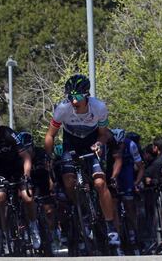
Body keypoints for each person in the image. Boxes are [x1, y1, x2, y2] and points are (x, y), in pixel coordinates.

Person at [44, 74, 122, 249]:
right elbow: (50, 135)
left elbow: (103, 134)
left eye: (77, 96)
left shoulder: (99, 107)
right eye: (70, 96)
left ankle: (111, 228)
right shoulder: (62, 109)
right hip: (70, 144)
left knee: (101, 183)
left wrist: (99, 144)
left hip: (91, 144)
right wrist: (48, 156)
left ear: (86, 95)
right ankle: (78, 206)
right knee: (68, 179)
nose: (73, 101)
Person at [0, 109, 41, 251]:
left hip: (18, 167)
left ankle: (33, 225)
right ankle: (4, 231)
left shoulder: (8, 134)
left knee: (27, 197)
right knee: (0, 198)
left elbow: (26, 157)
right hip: (1, 170)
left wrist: (26, 175)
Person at [17, 131, 55, 252]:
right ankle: (27, 228)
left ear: (32, 145)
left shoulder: (41, 153)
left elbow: (50, 170)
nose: (26, 151)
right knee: (24, 201)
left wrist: (52, 183)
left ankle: (51, 233)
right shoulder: (19, 157)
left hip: (42, 181)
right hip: (27, 182)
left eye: (28, 148)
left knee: (48, 210)